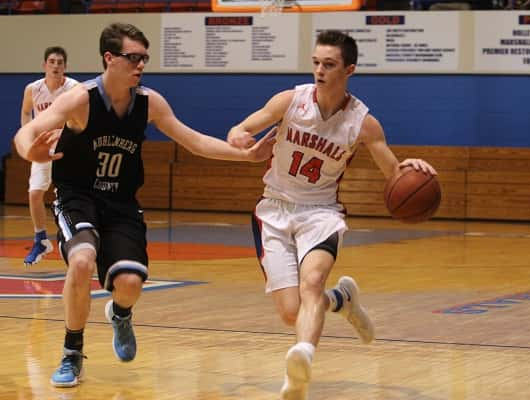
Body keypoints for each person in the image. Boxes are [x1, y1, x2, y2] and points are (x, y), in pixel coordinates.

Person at [13, 22, 275, 388]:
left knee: (131, 283)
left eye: (144, 59)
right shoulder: (81, 99)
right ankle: (72, 352)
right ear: (109, 58)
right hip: (77, 198)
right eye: (132, 57)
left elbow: (194, 141)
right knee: (82, 259)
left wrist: (245, 157)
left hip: (121, 203)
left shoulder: (150, 102)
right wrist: (30, 150)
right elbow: (26, 131)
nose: (140, 65)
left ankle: (120, 313)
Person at [227, 30, 437, 400]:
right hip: (274, 208)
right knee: (292, 312)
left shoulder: (362, 122)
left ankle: (300, 366)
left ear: (349, 69)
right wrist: (239, 137)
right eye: (316, 63)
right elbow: (242, 127)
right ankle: (341, 300)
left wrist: (411, 169)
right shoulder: (290, 101)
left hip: (320, 212)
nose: (320, 71)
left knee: (311, 284)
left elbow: (393, 172)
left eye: (329, 64)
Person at [20, 46, 78, 267]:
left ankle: (77, 238)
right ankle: (41, 239)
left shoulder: (73, 88)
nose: (56, 66)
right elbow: (26, 112)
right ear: (44, 65)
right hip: (43, 147)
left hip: (67, 148)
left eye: (60, 62)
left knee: (71, 195)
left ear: (65, 66)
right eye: (52, 61)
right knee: (35, 194)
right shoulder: (33, 89)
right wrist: (29, 135)